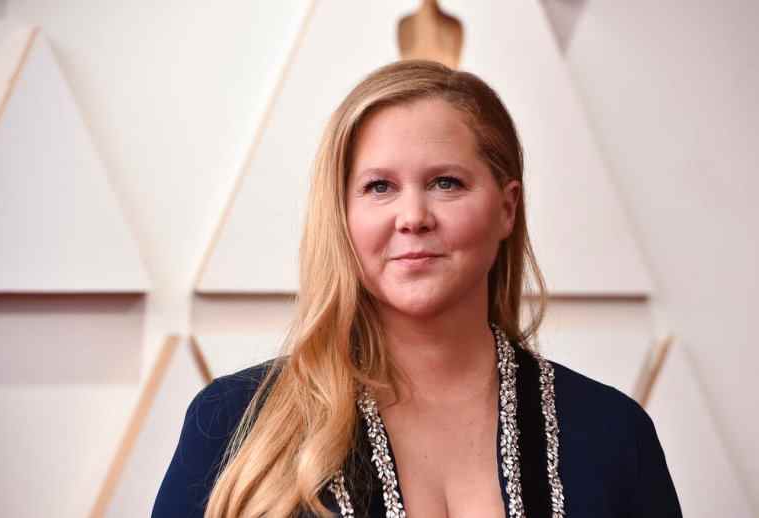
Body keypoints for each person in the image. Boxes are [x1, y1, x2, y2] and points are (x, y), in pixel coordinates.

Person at [152, 60, 682, 518]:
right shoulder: (232, 423)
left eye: (445, 183)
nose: (413, 217)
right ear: (342, 215)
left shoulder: (615, 434)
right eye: (379, 187)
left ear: (506, 207)